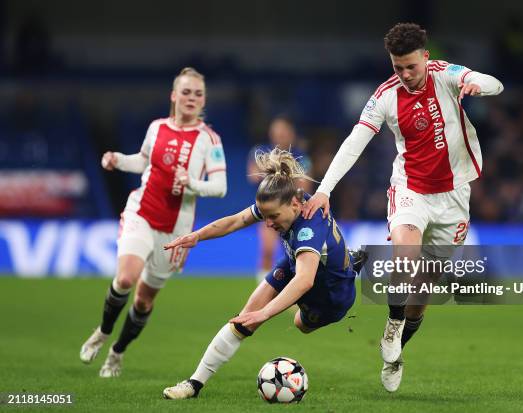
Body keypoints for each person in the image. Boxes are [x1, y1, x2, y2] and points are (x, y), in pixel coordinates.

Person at [302, 22, 504, 392]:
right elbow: (353, 142)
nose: (406, 75)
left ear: (425, 57)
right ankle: (392, 327)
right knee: (405, 256)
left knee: (421, 294)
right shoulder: (384, 96)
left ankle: (395, 347)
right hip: (411, 189)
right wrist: (324, 190)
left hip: (454, 196)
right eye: (398, 67)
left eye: (411, 66)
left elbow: (494, 83)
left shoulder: (446, 76)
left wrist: (478, 85)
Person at [161, 148, 365, 400]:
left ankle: (349, 265)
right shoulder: (284, 199)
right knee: (245, 318)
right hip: (296, 263)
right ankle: (194, 384)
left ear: (294, 205)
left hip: (332, 294)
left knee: (300, 324)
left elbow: (304, 281)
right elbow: (236, 220)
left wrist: (266, 312)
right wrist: (197, 236)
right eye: (265, 216)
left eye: (273, 217)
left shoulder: (309, 227)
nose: (268, 224)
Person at [79, 67, 228, 378]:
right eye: (186, 92)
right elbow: (144, 160)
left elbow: (221, 186)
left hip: (176, 230)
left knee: (144, 301)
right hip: (142, 212)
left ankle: (117, 352)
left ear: (203, 101)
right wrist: (118, 159)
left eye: (198, 94)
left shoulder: (209, 140)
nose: (191, 98)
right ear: (174, 96)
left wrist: (193, 184)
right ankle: (103, 332)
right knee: (125, 278)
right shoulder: (157, 127)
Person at [247, 115, 313, 283]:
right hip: (268, 210)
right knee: (267, 251)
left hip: (293, 213)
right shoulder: (261, 151)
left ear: (291, 133)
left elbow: (305, 185)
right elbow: (253, 175)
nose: (279, 134)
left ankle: (297, 293)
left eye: (283, 131)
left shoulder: (300, 156)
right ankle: (263, 290)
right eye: (276, 131)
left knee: (297, 254)